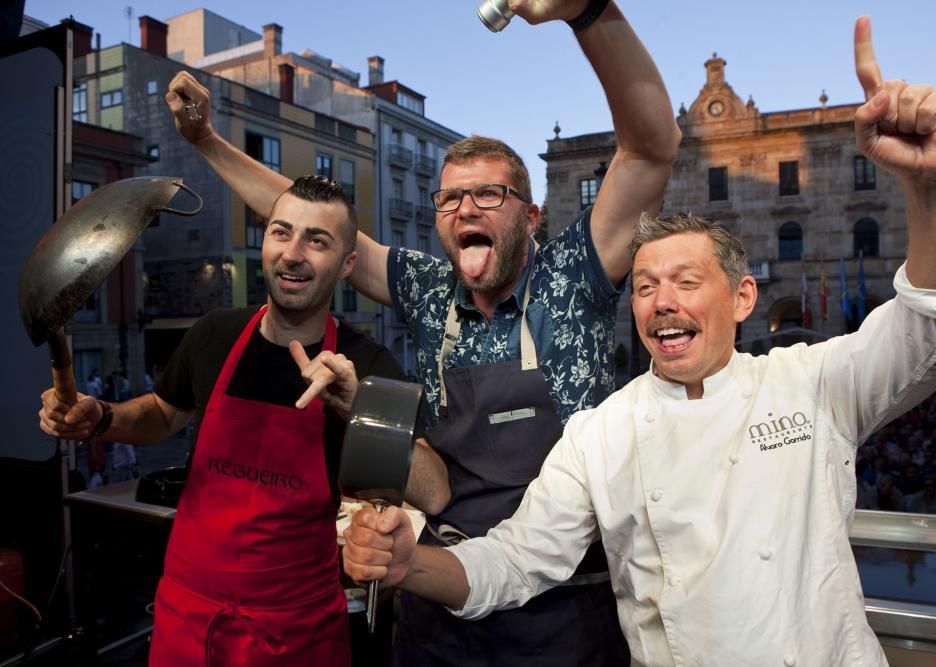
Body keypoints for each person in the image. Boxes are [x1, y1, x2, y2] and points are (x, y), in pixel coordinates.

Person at [342, 17, 936, 665]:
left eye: (687, 280)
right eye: (646, 284)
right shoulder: (604, 433)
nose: (663, 301)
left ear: (742, 298)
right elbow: (513, 559)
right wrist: (410, 562)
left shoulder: (815, 382)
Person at [165, 1, 679, 664]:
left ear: (530, 213)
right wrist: (208, 141)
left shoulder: (573, 274)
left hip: (566, 611)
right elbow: (310, 223)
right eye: (449, 198)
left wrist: (587, 13)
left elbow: (651, 148)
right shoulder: (428, 288)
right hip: (439, 604)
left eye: (488, 195)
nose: (465, 207)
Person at [38, 176, 448, 665]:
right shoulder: (216, 332)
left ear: (347, 265)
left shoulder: (368, 363)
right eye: (280, 232)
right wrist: (102, 416)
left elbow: (435, 490)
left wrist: (361, 406)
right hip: (186, 617)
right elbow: (163, 414)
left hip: (296, 632)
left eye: (317, 241)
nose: (292, 254)